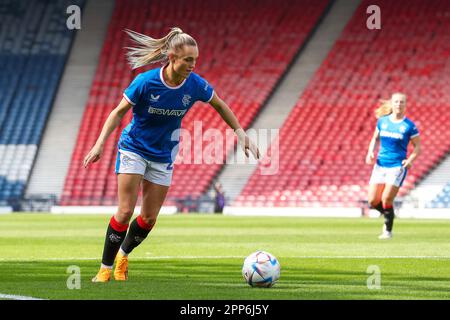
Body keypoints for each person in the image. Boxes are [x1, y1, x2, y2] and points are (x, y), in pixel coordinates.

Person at [83, 27, 260, 282]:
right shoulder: (145, 82)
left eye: (195, 60)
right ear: (172, 57)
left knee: (149, 218)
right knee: (125, 211)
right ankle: (105, 269)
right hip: (133, 147)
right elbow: (118, 112)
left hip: (163, 154)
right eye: (188, 60)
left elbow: (220, 104)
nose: (192, 65)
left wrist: (241, 134)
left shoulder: (196, 85)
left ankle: (123, 254)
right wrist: (100, 144)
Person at [366, 93, 421, 239]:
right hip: (380, 165)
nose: (399, 104)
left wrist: (410, 160)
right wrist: (370, 152)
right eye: (396, 101)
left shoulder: (409, 126)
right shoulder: (382, 122)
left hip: (397, 166)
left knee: (386, 198)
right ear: (392, 103)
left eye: (402, 102)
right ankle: (389, 215)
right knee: (372, 200)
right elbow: (375, 138)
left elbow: (417, 147)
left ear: (405, 105)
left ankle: (387, 231)